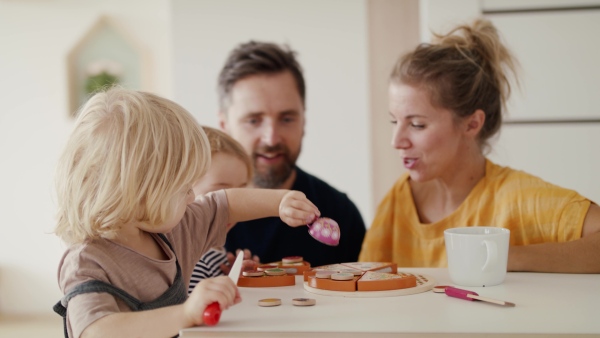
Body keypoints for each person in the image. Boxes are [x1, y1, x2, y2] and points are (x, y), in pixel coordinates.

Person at [53, 87, 321, 338]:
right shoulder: (87, 262)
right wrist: (185, 313)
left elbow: (225, 202)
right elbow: (97, 331)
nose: (193, 196)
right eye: (183, 188)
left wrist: (281, 201)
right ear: (139, 190)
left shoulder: (174, 228)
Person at [359, 19, 600, 273]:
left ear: (472, 124)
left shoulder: (516, 199)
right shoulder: (398, 201)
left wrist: (504, 258)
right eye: (394, 121)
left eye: (417, 125)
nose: (396, 141)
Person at [217, 41, 366, 267]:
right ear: (224, 125)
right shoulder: (194, 217)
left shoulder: (340, 213)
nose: (271, 138)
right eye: (253, 120)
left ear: (303, 122)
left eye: (286, 119)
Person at [188, 126, 258, 294]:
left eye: (240, 194)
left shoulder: (212, 247)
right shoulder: (192, 259)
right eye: (218, 195)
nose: (232, 206)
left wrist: (234, 278)